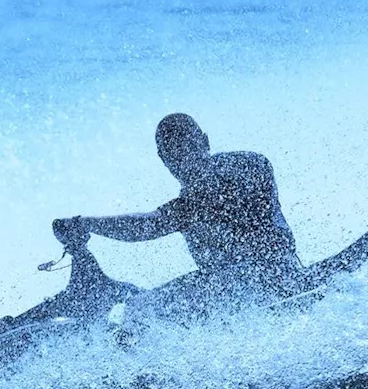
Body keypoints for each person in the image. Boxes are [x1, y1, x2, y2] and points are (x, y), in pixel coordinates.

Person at [54, 113, 303, 309]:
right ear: (164, 159)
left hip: (268, 279)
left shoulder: (249, 164)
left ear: (205, 142)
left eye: (190, 149)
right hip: (236, 289)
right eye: (175, 155)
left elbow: (147, 226)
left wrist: (84, 223)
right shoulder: (187, 204)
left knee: (141, 309)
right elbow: (151, 222)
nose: (185, 161)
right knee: (132, 300)